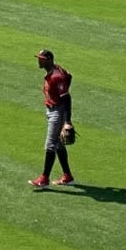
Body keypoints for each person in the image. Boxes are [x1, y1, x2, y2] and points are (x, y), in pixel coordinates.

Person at [30, 48, 75, 188]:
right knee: (59, 145)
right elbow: (70, 76)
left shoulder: (57, 76)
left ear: (48, 60)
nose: (39, 60)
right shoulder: (55, 71)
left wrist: (67, 122)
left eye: (41, 59)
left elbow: (66, 98)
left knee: (50, 145)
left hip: (57, 112)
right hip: (52, 110)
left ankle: (44, 179)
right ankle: (68, 176)